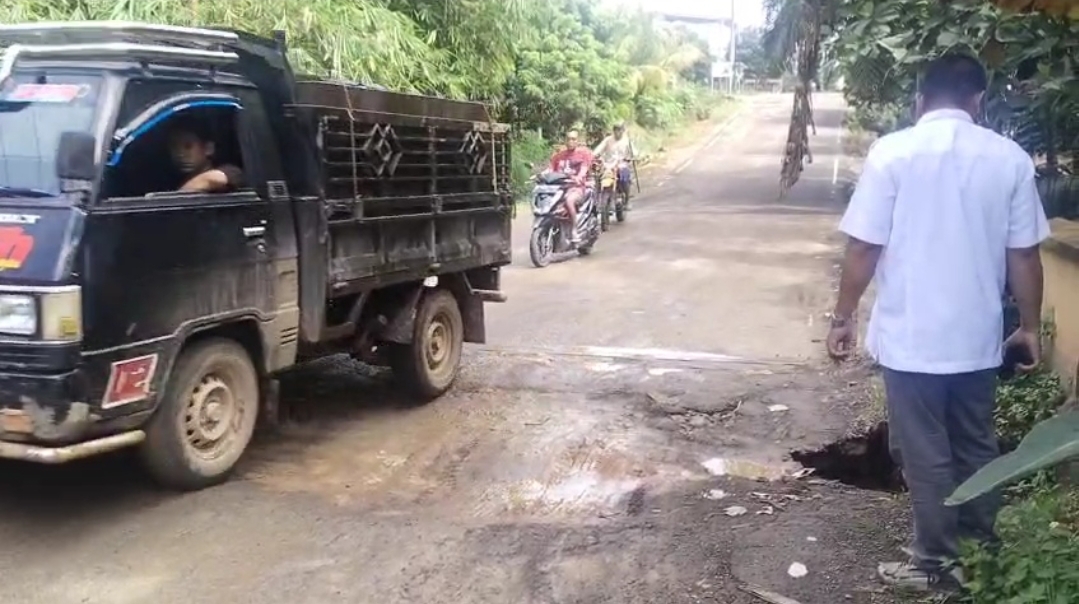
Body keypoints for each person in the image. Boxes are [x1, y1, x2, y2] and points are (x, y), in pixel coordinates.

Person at [825, 54, 1048, 594]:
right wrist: (1031, 327)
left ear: (920, 101)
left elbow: (864, 246)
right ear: (979, 101)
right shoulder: (1010, 159)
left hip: (910, 341)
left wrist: (843, 317)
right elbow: (1025, 255)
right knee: (974, 445)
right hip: (976, 341)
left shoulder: (893, 153)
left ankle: (936, 566)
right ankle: (978, 552)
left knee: (922, 452)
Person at [167, 117, 245, 193]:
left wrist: (179, 196)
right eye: (174, 147)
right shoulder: (171, 182)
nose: (181, 154)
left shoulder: (230, 171)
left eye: (188, 146)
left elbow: (214, 179)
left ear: (208, 148)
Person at [548, 130, 593, 243]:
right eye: (568, 139)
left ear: (577, 141)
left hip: (576, 188)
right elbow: (550, 170)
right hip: (559, 188)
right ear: (565, 140)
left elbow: (584, 169)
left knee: (569, 200)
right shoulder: (559, 156)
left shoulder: (583, 155)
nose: (570, 141)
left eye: (573, 139)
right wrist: (541, 175)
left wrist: (579, 177)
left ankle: (575, 229)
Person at [593, 121, 636, 196]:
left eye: (619, 130)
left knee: (624, 178)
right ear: (613, 130)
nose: (617, 132)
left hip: (622, 165)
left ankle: (627, 198)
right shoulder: (608, 140)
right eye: (616, 129)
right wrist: (593, 155)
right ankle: (597, 198)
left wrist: (632, 157)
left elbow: (634, 152)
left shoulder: (626, 141)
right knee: (598, 177)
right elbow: (598, 149)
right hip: (608, 165)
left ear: (623, 130)